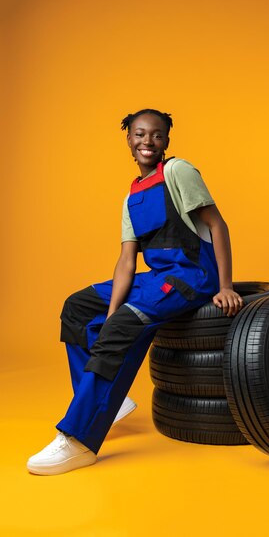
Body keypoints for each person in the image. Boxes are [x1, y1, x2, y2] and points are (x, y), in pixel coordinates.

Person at [27, 109, 245, 475]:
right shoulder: (131, 197)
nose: (148, 142)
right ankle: (108, 402)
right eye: (140, 134)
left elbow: (216, 223)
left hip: (191, 277)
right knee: (78, 309)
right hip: (156, 277)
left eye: (156, 135)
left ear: (166, 142)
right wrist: (111, 310)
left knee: (124, 326)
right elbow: (127, 261)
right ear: (128, 139)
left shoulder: (178, 172)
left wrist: (225, 286)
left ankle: (79, 440)